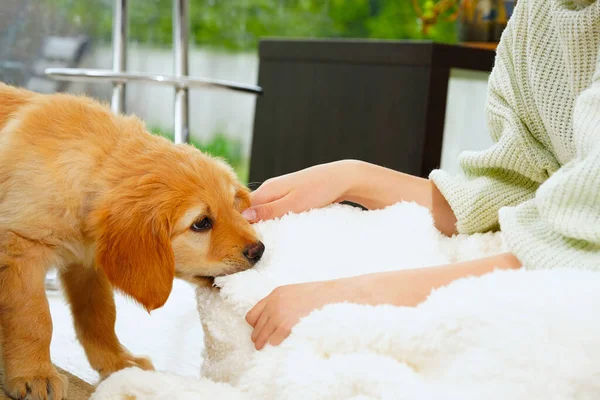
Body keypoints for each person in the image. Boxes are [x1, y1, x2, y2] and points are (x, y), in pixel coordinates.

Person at [243, 0, 600, 351]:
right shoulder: (536, 15)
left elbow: (577, 249)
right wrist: (351, 177)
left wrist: (353, 295)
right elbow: (513, 191)